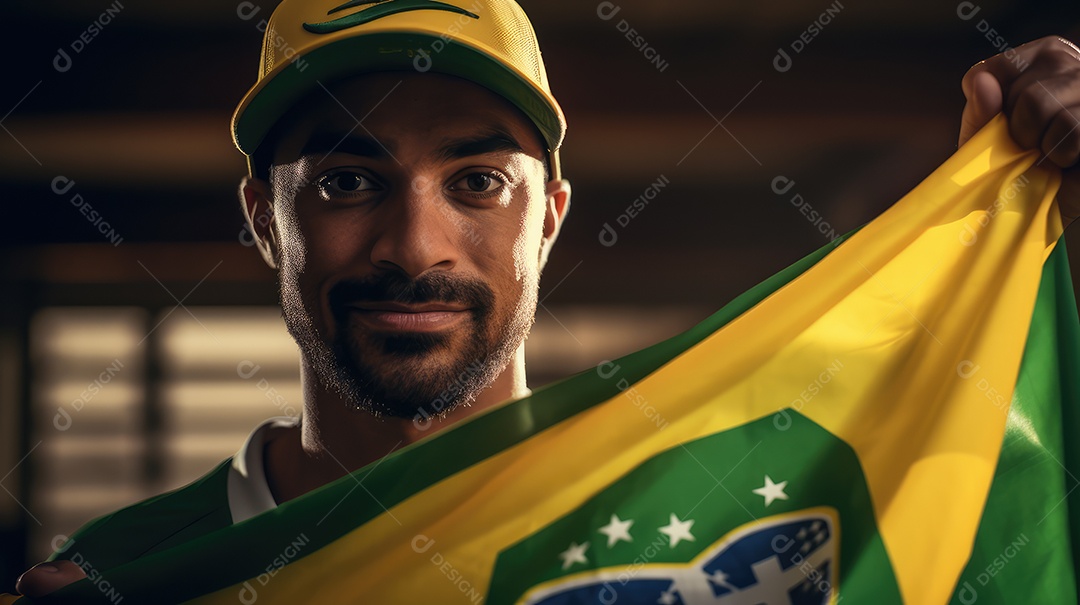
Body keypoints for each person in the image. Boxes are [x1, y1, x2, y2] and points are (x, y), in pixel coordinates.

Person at [10, 0, 1080, 598]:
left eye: (478, 181)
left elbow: (999, 500)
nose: (414, 245)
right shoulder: (126, 578)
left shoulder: (713, 488)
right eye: (346, 181)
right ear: (261, 216)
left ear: (552, 214)